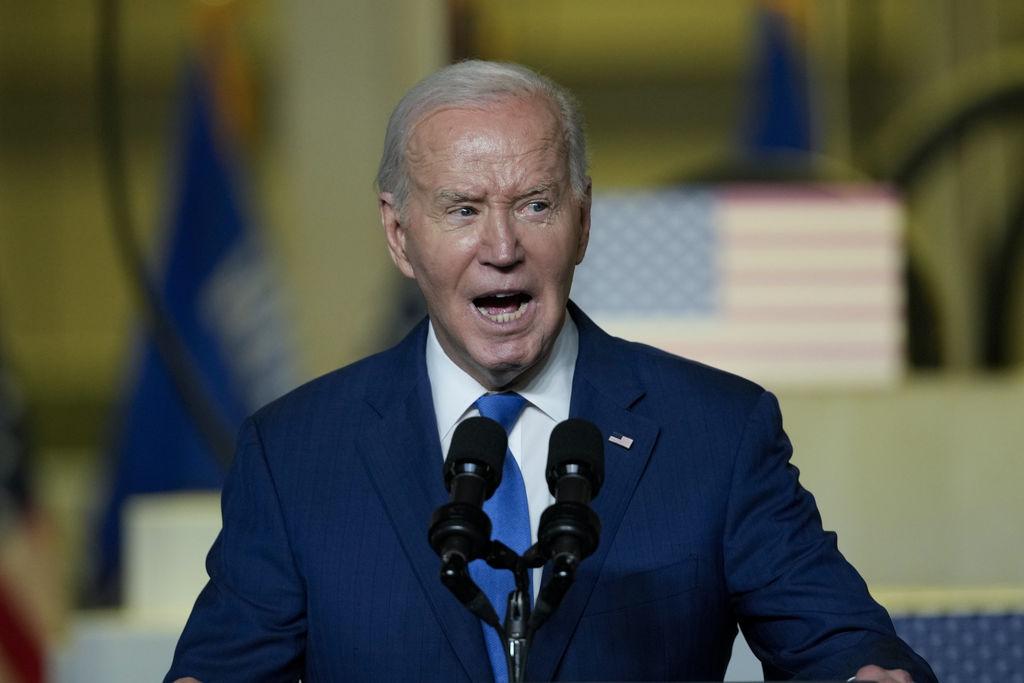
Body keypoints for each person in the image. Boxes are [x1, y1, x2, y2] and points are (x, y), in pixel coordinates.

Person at [167, 60, 935, 682]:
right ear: (399, 235)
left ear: (584, 220)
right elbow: (223, 667)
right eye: (463, 210)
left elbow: (845, 645)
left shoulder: (716, 433)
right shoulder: (295, 455)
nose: (502, 247)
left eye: (535, 205)